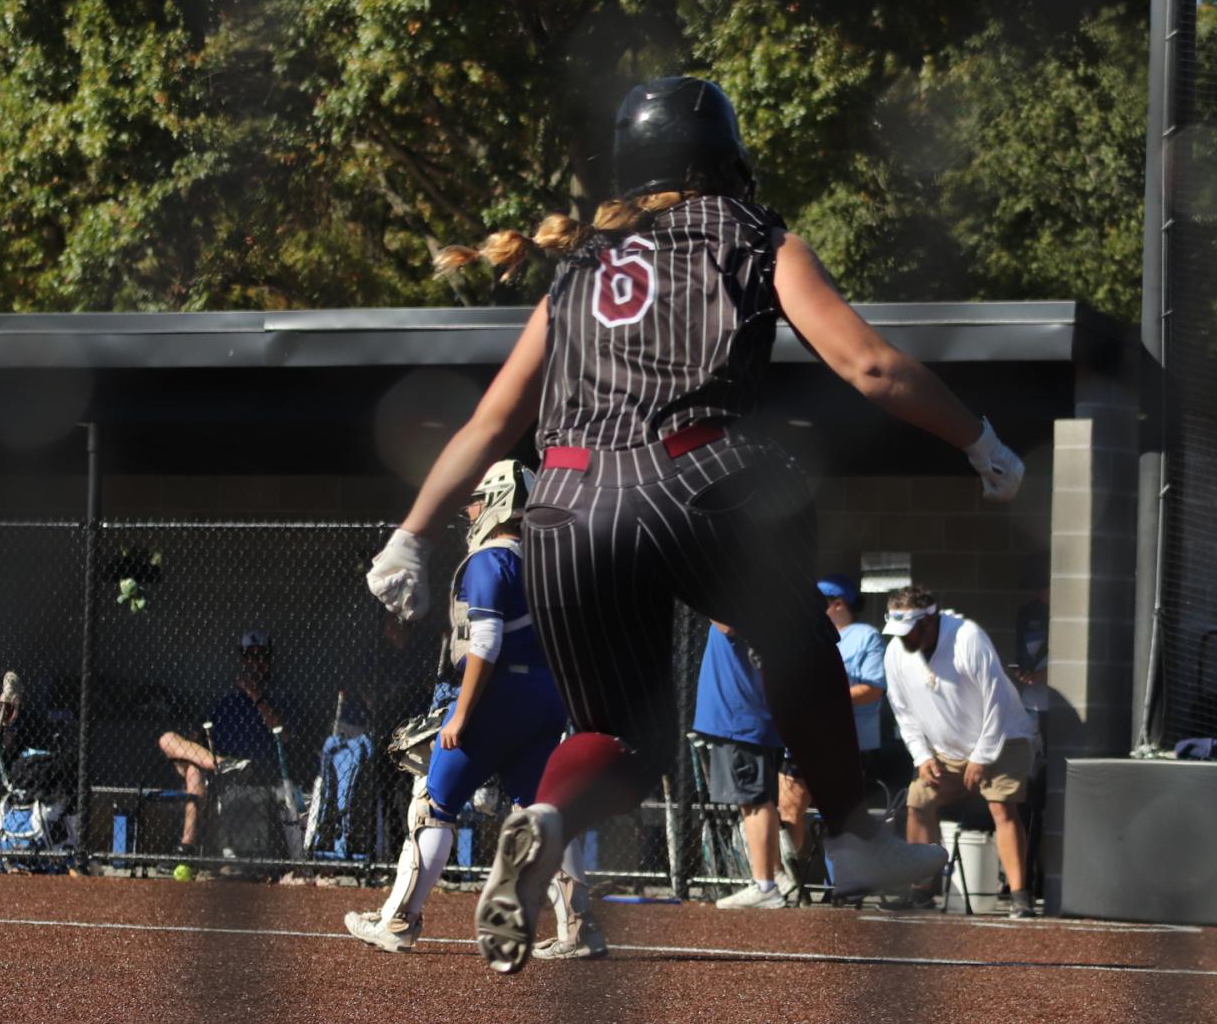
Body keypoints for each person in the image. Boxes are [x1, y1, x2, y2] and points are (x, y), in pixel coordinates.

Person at [365, 77, 1020, 974]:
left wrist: (411, 533)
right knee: (793, 632)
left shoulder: (581, 266)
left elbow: (489, 423)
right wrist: (978, 438)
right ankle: (853, 835)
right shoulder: (754, 234)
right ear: (725, 159)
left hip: (561, 506)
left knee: (621, 740)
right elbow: (868, 365)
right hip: (690, 478)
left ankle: (543, 822)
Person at [347, 463, 604, 958]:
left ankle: (399, 921)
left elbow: (485, 642)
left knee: (432, 807)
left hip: (497, 699)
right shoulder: (545, 562)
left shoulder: (490, 560)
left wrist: (461, 714)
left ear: (500, 501)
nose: (470, 510)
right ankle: (580, 927)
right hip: (546, 698)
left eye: (478, 500)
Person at [882, 585, 1039, 912]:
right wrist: (922, 756)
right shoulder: (895, 652)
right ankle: (921, 892)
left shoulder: (968, 638)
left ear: (928, 622)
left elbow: (995, 699)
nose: (903, 640)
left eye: (909, 632)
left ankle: (1020, 896)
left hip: (1003, 738)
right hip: (945, 750)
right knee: (918, 802)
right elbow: (903, 711)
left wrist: (982, 757)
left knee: (1001, 807)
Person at [777, 576, 887, 871]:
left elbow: (873, 688)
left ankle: (846, 881)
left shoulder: (865, 636)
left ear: (838, 604)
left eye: (820, 602)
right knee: (788, 810)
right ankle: (797, 877)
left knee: (840, 815)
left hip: (847, 743)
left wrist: (823, 698)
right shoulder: (802, 635)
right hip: (802, 739)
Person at [156, 630, 293, 859]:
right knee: (169, 742)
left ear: (269, 661)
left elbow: (285, 735)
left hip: (254, 771)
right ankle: (188, 848)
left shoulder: (279, 696)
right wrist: (196, 740)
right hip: (219, 769)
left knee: (193, 772)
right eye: (249, 656)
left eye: (261, 656)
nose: (254, 662)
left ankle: (187, 846)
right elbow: (198, 737)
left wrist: (253, 695)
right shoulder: (226, 701)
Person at [693, 623, 791, 910]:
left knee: (755, 801)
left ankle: (765, 886)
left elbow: (726, 623)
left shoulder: (733, 604)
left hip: (741, 721)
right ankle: (773, 877)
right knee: (756, 802)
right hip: (742, 722)